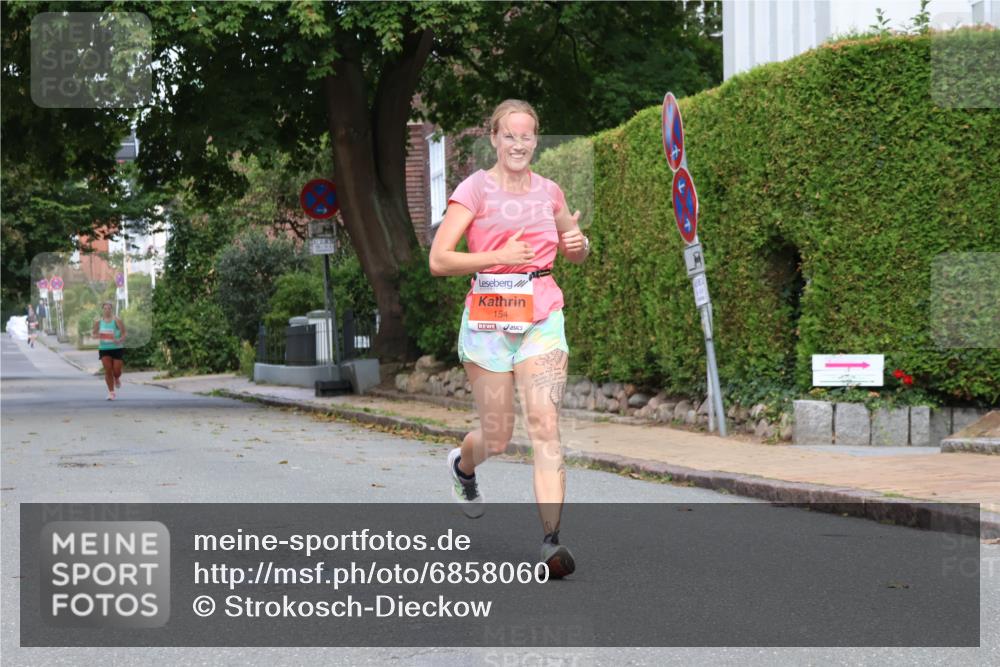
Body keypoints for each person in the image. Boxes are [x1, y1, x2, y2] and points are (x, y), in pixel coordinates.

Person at [429, 99, 591, 578]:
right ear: (494, 139)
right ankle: (464, 465)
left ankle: (551, 543)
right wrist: (498, 254)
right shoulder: (474, 189)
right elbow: (440, 259)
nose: (518, 144)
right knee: (497, 437)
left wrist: (578, 245)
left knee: (545, 426)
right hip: (488, 319)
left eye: (527, 135)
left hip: (542, 317)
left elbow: (572, 247)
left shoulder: (550, 192)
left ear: (536, 139)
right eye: (509, 135)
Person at [92, 301, 127, 400]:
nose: (107, 310)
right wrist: (98, 336)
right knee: (108, 370)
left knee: (116, 370)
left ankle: (117, 378)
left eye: (109, 308)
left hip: (117, 348)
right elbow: (93, 333)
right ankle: (111, 392)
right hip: (104, 348)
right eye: (105, 308)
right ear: (102, 310)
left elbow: (124, 333)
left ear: (111, 309)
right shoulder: (98, 321)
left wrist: (119, 340)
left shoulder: (117, 320)